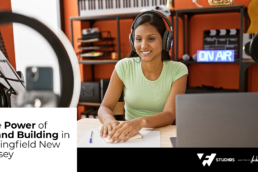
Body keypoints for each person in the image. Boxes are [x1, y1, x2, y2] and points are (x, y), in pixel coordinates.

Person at [98, 11, 188, 143]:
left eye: (151, 38)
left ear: (165, 40)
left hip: (162, 136)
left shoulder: (178, 70)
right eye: (138, 39)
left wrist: (140, 123)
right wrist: (109, 121)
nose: (143, 46)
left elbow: (169, 115)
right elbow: (104, 107)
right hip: (129, 136)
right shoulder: (123, 66)